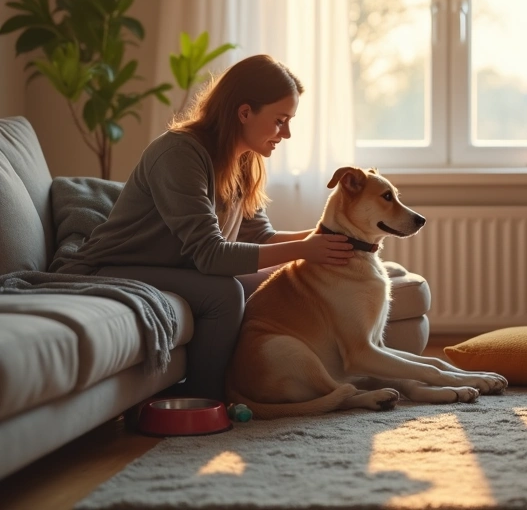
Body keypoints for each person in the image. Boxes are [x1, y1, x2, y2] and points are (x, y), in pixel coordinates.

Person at [56, 54, 355, 401]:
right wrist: (305, 249)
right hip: (110, 269)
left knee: (281, 278)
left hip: (175, 268)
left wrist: (329, 237)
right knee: (224, 294)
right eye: (280, 121)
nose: (286, 133)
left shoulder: (245, 160)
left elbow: (260, 237)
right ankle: (205, 398)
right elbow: (211, 256)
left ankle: (288, 376)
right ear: (244, 113)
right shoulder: (179, 154)